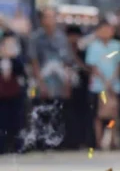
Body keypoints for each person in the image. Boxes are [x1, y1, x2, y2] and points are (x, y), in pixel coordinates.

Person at [28, 8, 73, 150]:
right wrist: (40, 83)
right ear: (41, 20)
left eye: (53, 17)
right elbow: (34, 61)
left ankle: (60, 143)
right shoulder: (35, 38)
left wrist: (67, 82)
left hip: (59, 79)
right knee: (42, 111)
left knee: (59, 111)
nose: (50, 20)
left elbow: (66, 61)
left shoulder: (61, 37)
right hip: (42, 78)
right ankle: (41, 144)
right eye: (47, 17)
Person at [85, 20, 120, 150]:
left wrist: (111, 81)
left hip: (115, 85)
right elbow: (93, 66)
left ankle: (113, 141)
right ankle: (98, 141)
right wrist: (105, 82)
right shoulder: (93, 46)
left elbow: (119, 65)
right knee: (98, 115)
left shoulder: (117, 45)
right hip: (98, 85)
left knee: (114, 114)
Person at [0, 33, 26, 154]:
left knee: (17, 122)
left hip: (15, 94)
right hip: (2, 95)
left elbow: (22, 71)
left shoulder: (18, 59)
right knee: (2, 122)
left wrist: (13, 57)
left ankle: (18, 146)